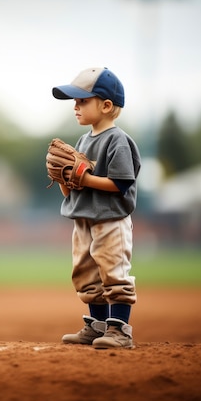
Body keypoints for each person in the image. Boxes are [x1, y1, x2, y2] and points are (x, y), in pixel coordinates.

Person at [51, 67, 141, 349]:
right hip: (84, 219)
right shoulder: (82, 141)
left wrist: (84, 177)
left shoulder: (117, 140)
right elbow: (75, 187)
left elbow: (120, 183)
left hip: (111, 220)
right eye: (75, 102)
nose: (75, 107)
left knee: (113, 273)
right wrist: (63, 179)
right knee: (87, 275)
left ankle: (119, 331)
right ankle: (98, 327)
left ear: (105, 105)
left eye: (82, 101)